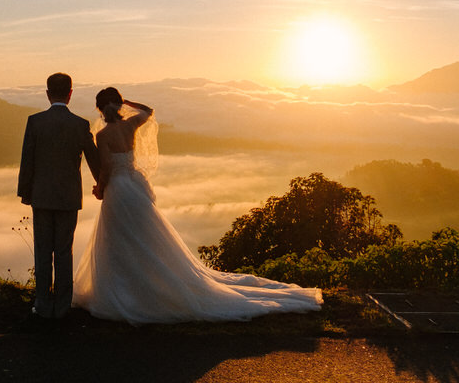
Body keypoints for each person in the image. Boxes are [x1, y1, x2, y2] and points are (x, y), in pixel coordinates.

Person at [73, 86, 322, 325]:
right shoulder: (130, 125)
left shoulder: (103, 135)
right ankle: (147, 284)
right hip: (135, 186)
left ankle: (125, 288)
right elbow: (149, 111)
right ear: (117, 105)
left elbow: (105, 169)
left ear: (99, 109)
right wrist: (127, 102)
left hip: (118, 189)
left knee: (120, 239)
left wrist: (99, 189)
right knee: (145, 237)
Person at [16, 72, 100, 320]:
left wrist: (25, 193)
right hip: (68, 197)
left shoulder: (35, 122)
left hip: (41, 196)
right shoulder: (80, 125)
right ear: (70, 93)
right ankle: (62, 308)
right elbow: (94, 161)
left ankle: (42, 306)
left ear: (47, 93)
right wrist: (103, 185)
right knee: (64, 251)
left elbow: (27, 160)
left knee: (42, 251)